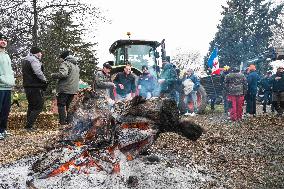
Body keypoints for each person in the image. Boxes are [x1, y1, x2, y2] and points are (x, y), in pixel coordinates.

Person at [51, 51, 80, 125]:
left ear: (63, 58)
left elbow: (63, 74)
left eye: (60, 58)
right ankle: (69, 122)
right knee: (69, 106)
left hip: (65, 89)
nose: (59, 60)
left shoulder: (65, 63)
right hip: (73, 90)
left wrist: (53, 75)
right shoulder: (76, 65)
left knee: (61, 105)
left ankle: (62, 122)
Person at [22, 47, 47, 131]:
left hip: (27, 86)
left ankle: (28, 125)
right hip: (35, 86)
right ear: (37, 53)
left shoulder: (26, 59)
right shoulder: (33, 60)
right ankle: (29, 126)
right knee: (38, 106)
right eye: (40, 53)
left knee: (31, 106)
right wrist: (45, 80)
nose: (41, 54)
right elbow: (38, 72)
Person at [0, 33, 15, 139]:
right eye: (1, 39)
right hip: (0, 86)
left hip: (7, 86)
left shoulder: (7, 55)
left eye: (5, 39)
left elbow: (9, 70)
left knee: (6, 109)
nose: (3, 41)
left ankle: (3, 130)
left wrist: (12, 79)